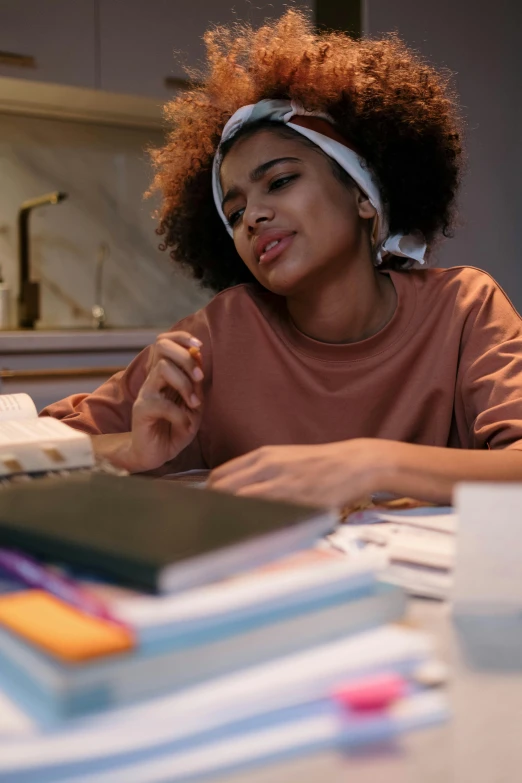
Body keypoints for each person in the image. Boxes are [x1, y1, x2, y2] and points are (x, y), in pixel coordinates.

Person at [42, 10, 522, 508]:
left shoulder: (463, 310)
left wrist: (369, 464)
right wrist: (131, 448)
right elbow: (24, 450)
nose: (253, 217)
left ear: (364, 196)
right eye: (234, 212)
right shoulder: (219, 336)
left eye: (280, 181)